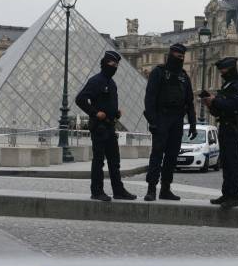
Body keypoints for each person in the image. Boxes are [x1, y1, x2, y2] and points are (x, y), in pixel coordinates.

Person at [74, 50, 137, 202]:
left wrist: (116, 113)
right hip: (99, 127)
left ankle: (118, 190)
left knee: (114, 162)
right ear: (104, 63)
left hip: (110, 126)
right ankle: (96, 191)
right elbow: (80, 99)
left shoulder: (112, 83)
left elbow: (108, 104)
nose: (114, 66)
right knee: (99, 161)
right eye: (112, 63)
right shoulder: (96, 81)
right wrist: (94, 113)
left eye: (116, 64)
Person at [143, 42, 197, 201]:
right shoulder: (158, 73)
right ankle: (151, 188)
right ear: (170, 55)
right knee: (157, 154)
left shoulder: (183, 76)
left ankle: (165, 188)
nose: (180, 58)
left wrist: (193, 124)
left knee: (172, 156)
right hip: (162, 118)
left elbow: (189, 102)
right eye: (177, 56)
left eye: (182, 57)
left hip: (177, 120)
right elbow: (150, 99)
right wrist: (152, 121)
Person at [201, 57, 238, 209]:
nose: (221, 73)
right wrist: (210, 104)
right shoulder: (228, 84)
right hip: (224, 125)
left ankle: (233, 196)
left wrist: (215, 101)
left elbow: (235, 105)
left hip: (234, 126)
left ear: (231, 68)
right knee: (226, 162)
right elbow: (219, 110)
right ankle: (226, 193)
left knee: (233, 162)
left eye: (223, 70)